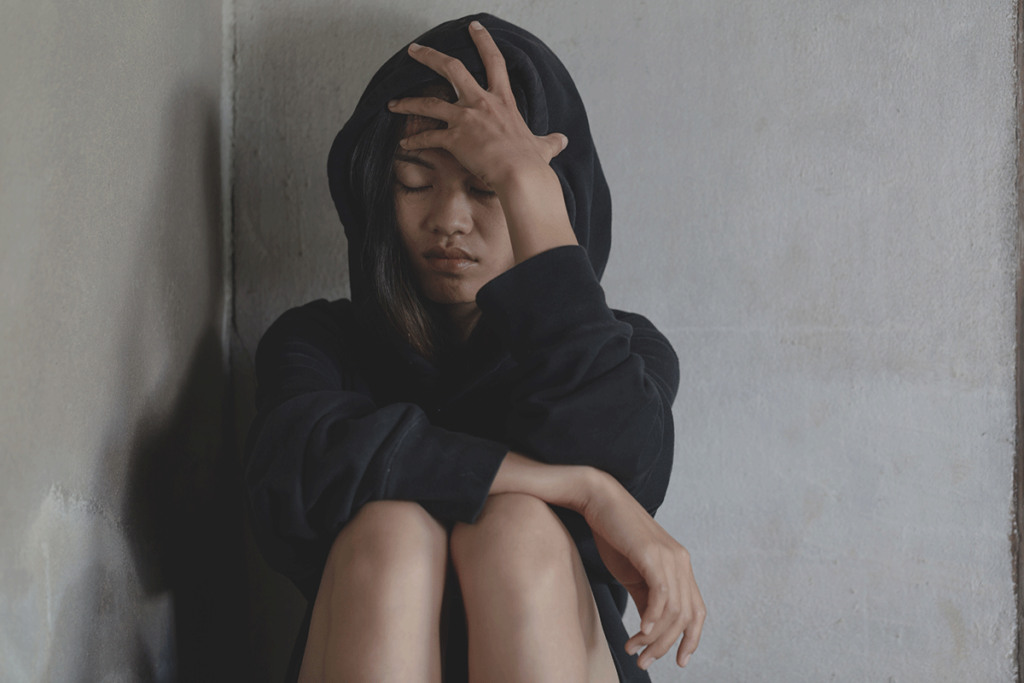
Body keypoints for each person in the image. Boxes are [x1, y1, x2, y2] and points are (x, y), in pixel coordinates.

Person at [244, 13, 705, 683]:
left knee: (516, 532)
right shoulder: (320, 343)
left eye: (487, 187)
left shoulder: (623, 350)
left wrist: (531, 190)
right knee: (392, 534)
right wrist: (575, 488)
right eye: (414, 181)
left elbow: (628, 466)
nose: (450, 220)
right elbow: (292, 473)